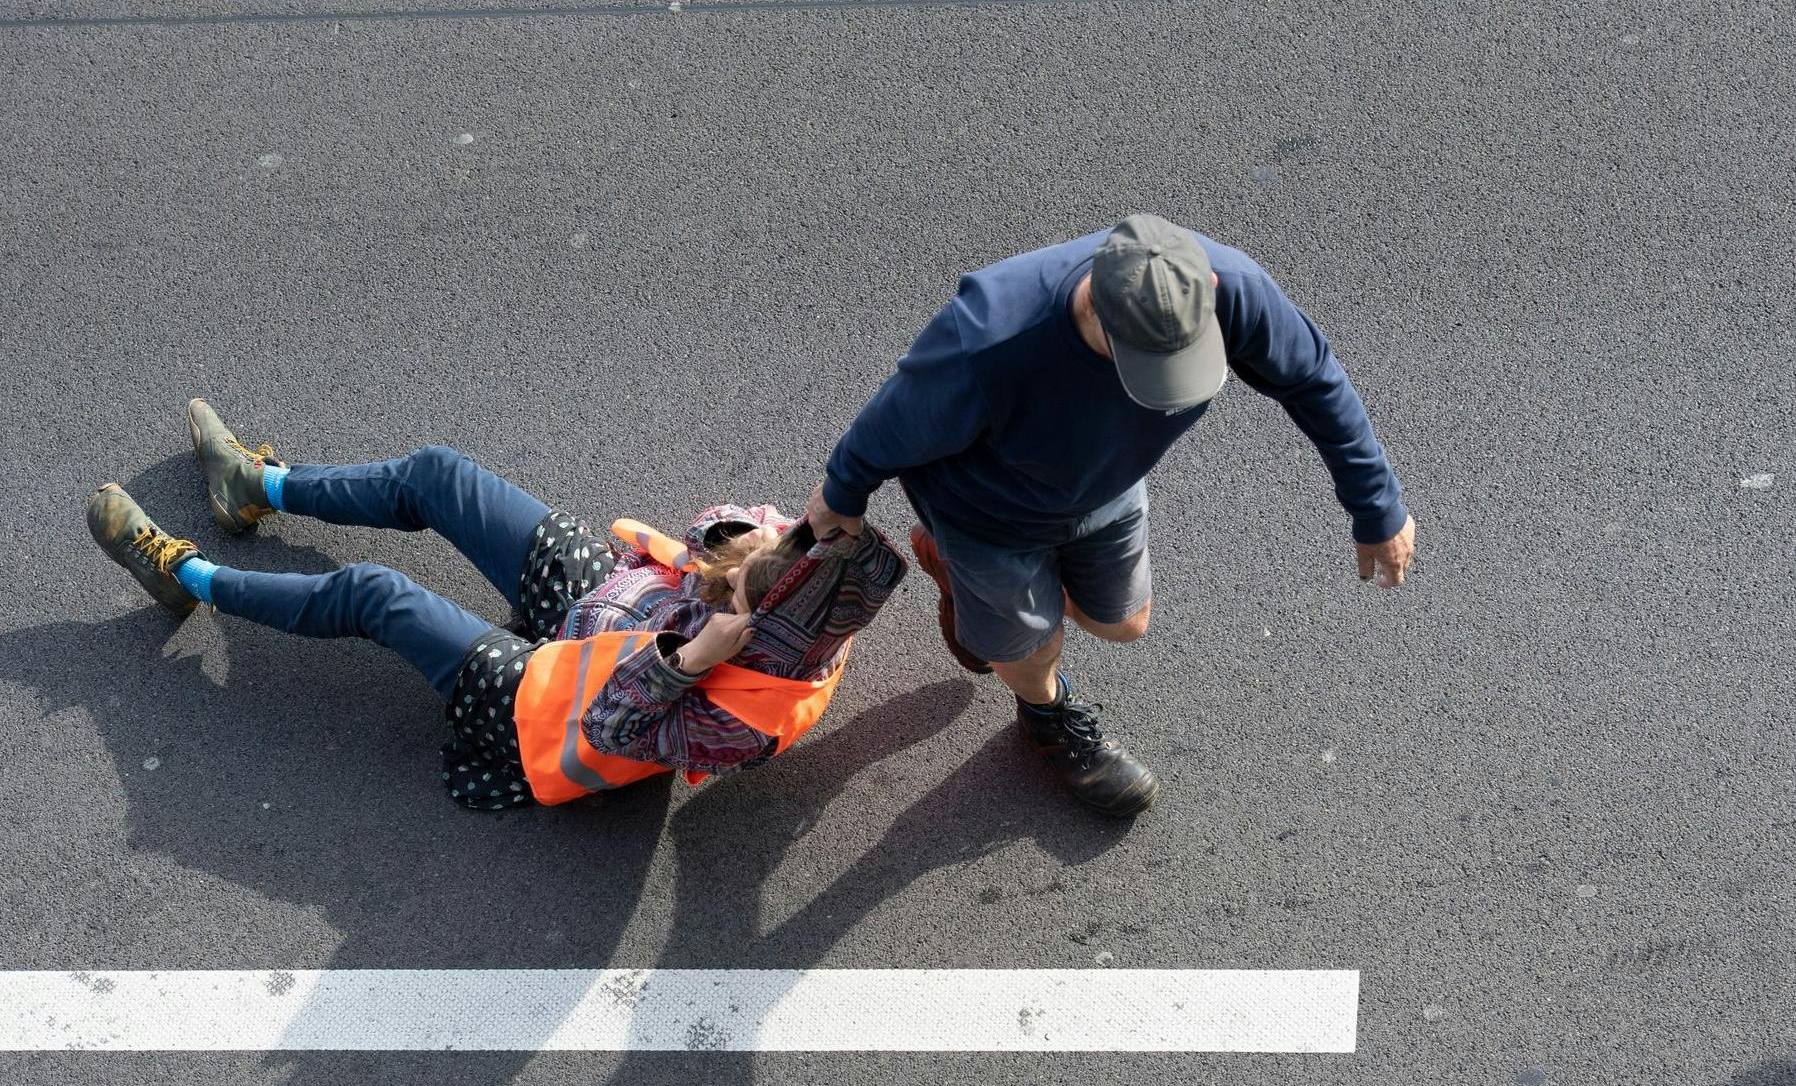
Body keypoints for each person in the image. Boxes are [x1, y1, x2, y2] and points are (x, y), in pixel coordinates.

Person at [806, 214, 1416, 817]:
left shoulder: (1235, 287)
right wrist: (842, 497)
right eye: (1143, 361)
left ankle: (970, 586)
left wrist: (1377, 507)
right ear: (1095, 304)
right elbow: (887, 427)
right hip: (988, 516)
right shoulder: (990, 337)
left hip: (1105, 488)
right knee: (1030, 647)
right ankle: (1047, 714)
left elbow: (1313, 380)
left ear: (1207, 289)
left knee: (1124, 624)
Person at [87, 400, 907, 809]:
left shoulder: (753, 717)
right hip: (602, 604)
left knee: (375, 593)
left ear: (757, 628)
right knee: (438, 474)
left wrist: (689, 658)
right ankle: (254, 487)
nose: (725, 574)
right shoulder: (803, 571)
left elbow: (612, 729)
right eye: (768, 549)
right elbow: (707, 533)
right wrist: (738, 546)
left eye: (731, 589)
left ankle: (184, 575)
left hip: (547, 702)